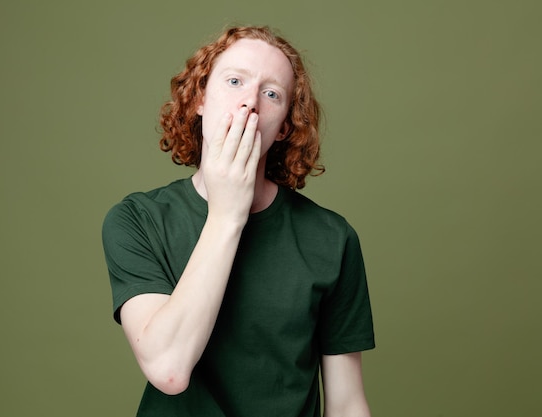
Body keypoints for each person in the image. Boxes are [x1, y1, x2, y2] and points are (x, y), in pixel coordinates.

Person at [102, 25, 375, 417]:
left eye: (271, 94)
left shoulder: (332, 238)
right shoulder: (138, 220)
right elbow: (168, 368)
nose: (250, 103)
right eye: (234, 81)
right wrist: (228, 211)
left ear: (283, 126)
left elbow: (347, 403)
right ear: (200, 98)